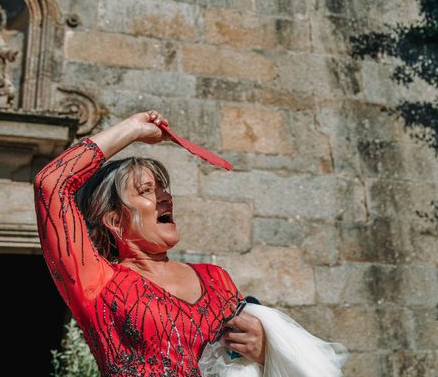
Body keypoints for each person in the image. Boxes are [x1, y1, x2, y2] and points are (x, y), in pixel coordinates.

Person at [34, 110, 266, 377]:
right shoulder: (97, 281)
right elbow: (50, 183)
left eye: (163, 188)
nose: (165, 197)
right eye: (146, 190)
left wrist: (262, 349)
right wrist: (134, 129)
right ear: (114, 221)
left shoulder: (216, 278)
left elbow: (240, 363)